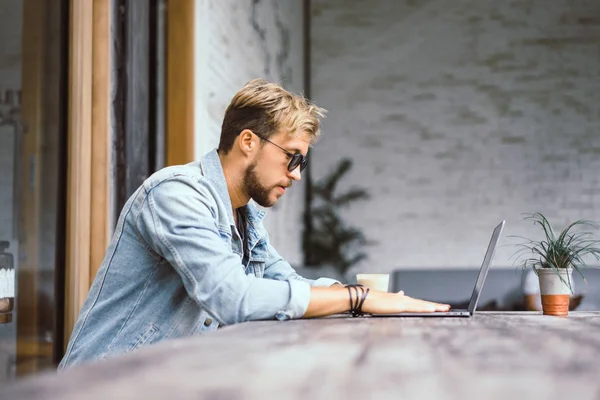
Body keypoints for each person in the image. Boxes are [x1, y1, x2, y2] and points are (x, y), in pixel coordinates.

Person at [59, 79, 449, 368]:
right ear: (249, 141)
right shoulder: (174, 195)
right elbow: (233, 297)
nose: (297, 174)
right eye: (292, 158)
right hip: (101, 385)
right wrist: (357, 299)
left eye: (303, 162)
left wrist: (373, 300)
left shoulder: (244, 217)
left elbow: (287, 285)